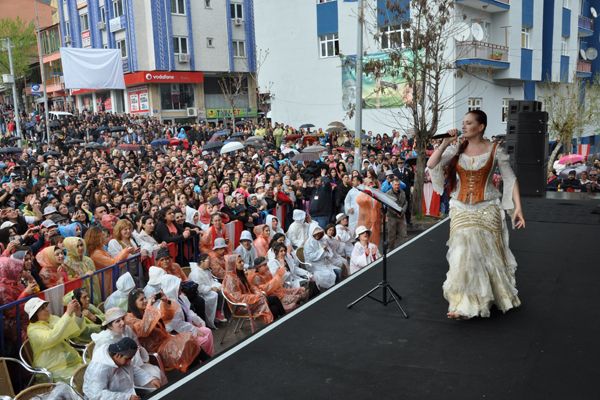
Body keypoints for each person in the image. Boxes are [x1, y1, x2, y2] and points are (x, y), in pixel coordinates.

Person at [427, 109, 525, 319]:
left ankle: (484, 297)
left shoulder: (495, 150)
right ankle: (463, 303)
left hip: (487, 206)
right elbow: (431, 164)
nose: (464, 126)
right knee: (462, 252)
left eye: (469, 123)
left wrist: (517, 208)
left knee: (485, 255)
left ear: (480, 127)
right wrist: (445, 143)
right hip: (461, 206)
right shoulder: (456, 149)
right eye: (463, 123)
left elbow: (510, 178)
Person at [125, 288, 201, 373]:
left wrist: (166, 302)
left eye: (145, 298)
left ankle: (199, 368)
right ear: (133, 304)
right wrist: (149, 306)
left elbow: (168, 317)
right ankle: (197, 370)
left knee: (190, 341)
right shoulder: (129, 318)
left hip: (166, 341)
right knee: (186, 344)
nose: (145, 301)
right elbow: (144, 330)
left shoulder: (146, 311)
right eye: (141, 299)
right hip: (157, 349)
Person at [91, 307, 167, 388]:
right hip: (117, 374)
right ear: (110, 326)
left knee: (156, 373)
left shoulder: (127, 329)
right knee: (150, 384)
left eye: (123, 319)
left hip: (135, 365)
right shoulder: (105, 341)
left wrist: (140, 358)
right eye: (117, 321)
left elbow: (137, 346)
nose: (122, 323)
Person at [25, 297, 84, 382]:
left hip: (71, 362)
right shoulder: (33, 330)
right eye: (42, 309)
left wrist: (78, 314)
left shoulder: (52, 318)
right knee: (82, 380)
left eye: (45, 307)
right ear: (35, 314)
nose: (46, 310)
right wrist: (67, 313)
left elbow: (73, 332)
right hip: (52, 369)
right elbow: (52, 338)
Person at [83, 337, 161, 400]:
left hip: (123, 392)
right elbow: (97, 395)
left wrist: (150, 379)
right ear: (117, 355)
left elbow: (132, 369)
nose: (129, 362)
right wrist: (126, 397)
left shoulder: (119, 357)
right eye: (128, 359)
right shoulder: (99, 370)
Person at [159, 274, 214, 357]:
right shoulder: (167, 305)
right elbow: (178, 325)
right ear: (172, 288)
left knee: (208, 331)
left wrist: (198, 321)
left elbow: (188, 311)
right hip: (177, 333)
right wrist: (194, 330)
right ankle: (204, 359)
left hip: (187, 325)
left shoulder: (180, 297)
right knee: (204, 340)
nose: (181, 288)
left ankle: (209, 356)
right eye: (178, 286)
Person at [221, 254, 277, 323]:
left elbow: (251, 287)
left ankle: (277, 323)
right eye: (239, 262)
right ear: (233, 265)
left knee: (273, 301)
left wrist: (258, 293)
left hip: (250, 300)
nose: (242, 263)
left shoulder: (239, 273)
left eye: (242, 261)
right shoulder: (230, 279)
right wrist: (254, 297)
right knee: (271, 302)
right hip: (241, 306)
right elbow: (237, 297)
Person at [188, 254, 227, 328]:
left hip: (209, 289)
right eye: (208, 261)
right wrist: (211, 288)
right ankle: (215, 315)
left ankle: (217, 313)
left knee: (221, 290)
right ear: (202, 262)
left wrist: (217, 286)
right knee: (216, 294)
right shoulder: (195, 273)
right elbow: (199, 288)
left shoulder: (206, 270)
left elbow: (211, 281)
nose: (209, 263)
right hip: (202, 293)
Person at [63, 237, 101, 305]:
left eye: (81, 245)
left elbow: (95, 278)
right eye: (77, 246)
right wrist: (84, 276)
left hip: (93, 290)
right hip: (80, 295)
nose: (80, 248)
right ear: (70, 248)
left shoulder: (88, 260)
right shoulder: (67, 263)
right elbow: (70, 281)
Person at [385, 178, 408, 249]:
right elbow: (388, 206)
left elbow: (406, 203)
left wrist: (402, 211)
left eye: (398, 185)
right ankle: (391, 250)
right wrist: (396, 213)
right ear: (392, 185)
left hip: (402, 216)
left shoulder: (403, 192)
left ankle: (404, 249)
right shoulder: (388, 193)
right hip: (392, 217)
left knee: (404, 234)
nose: (397, 186)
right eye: (395, 185)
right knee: (391, 235)